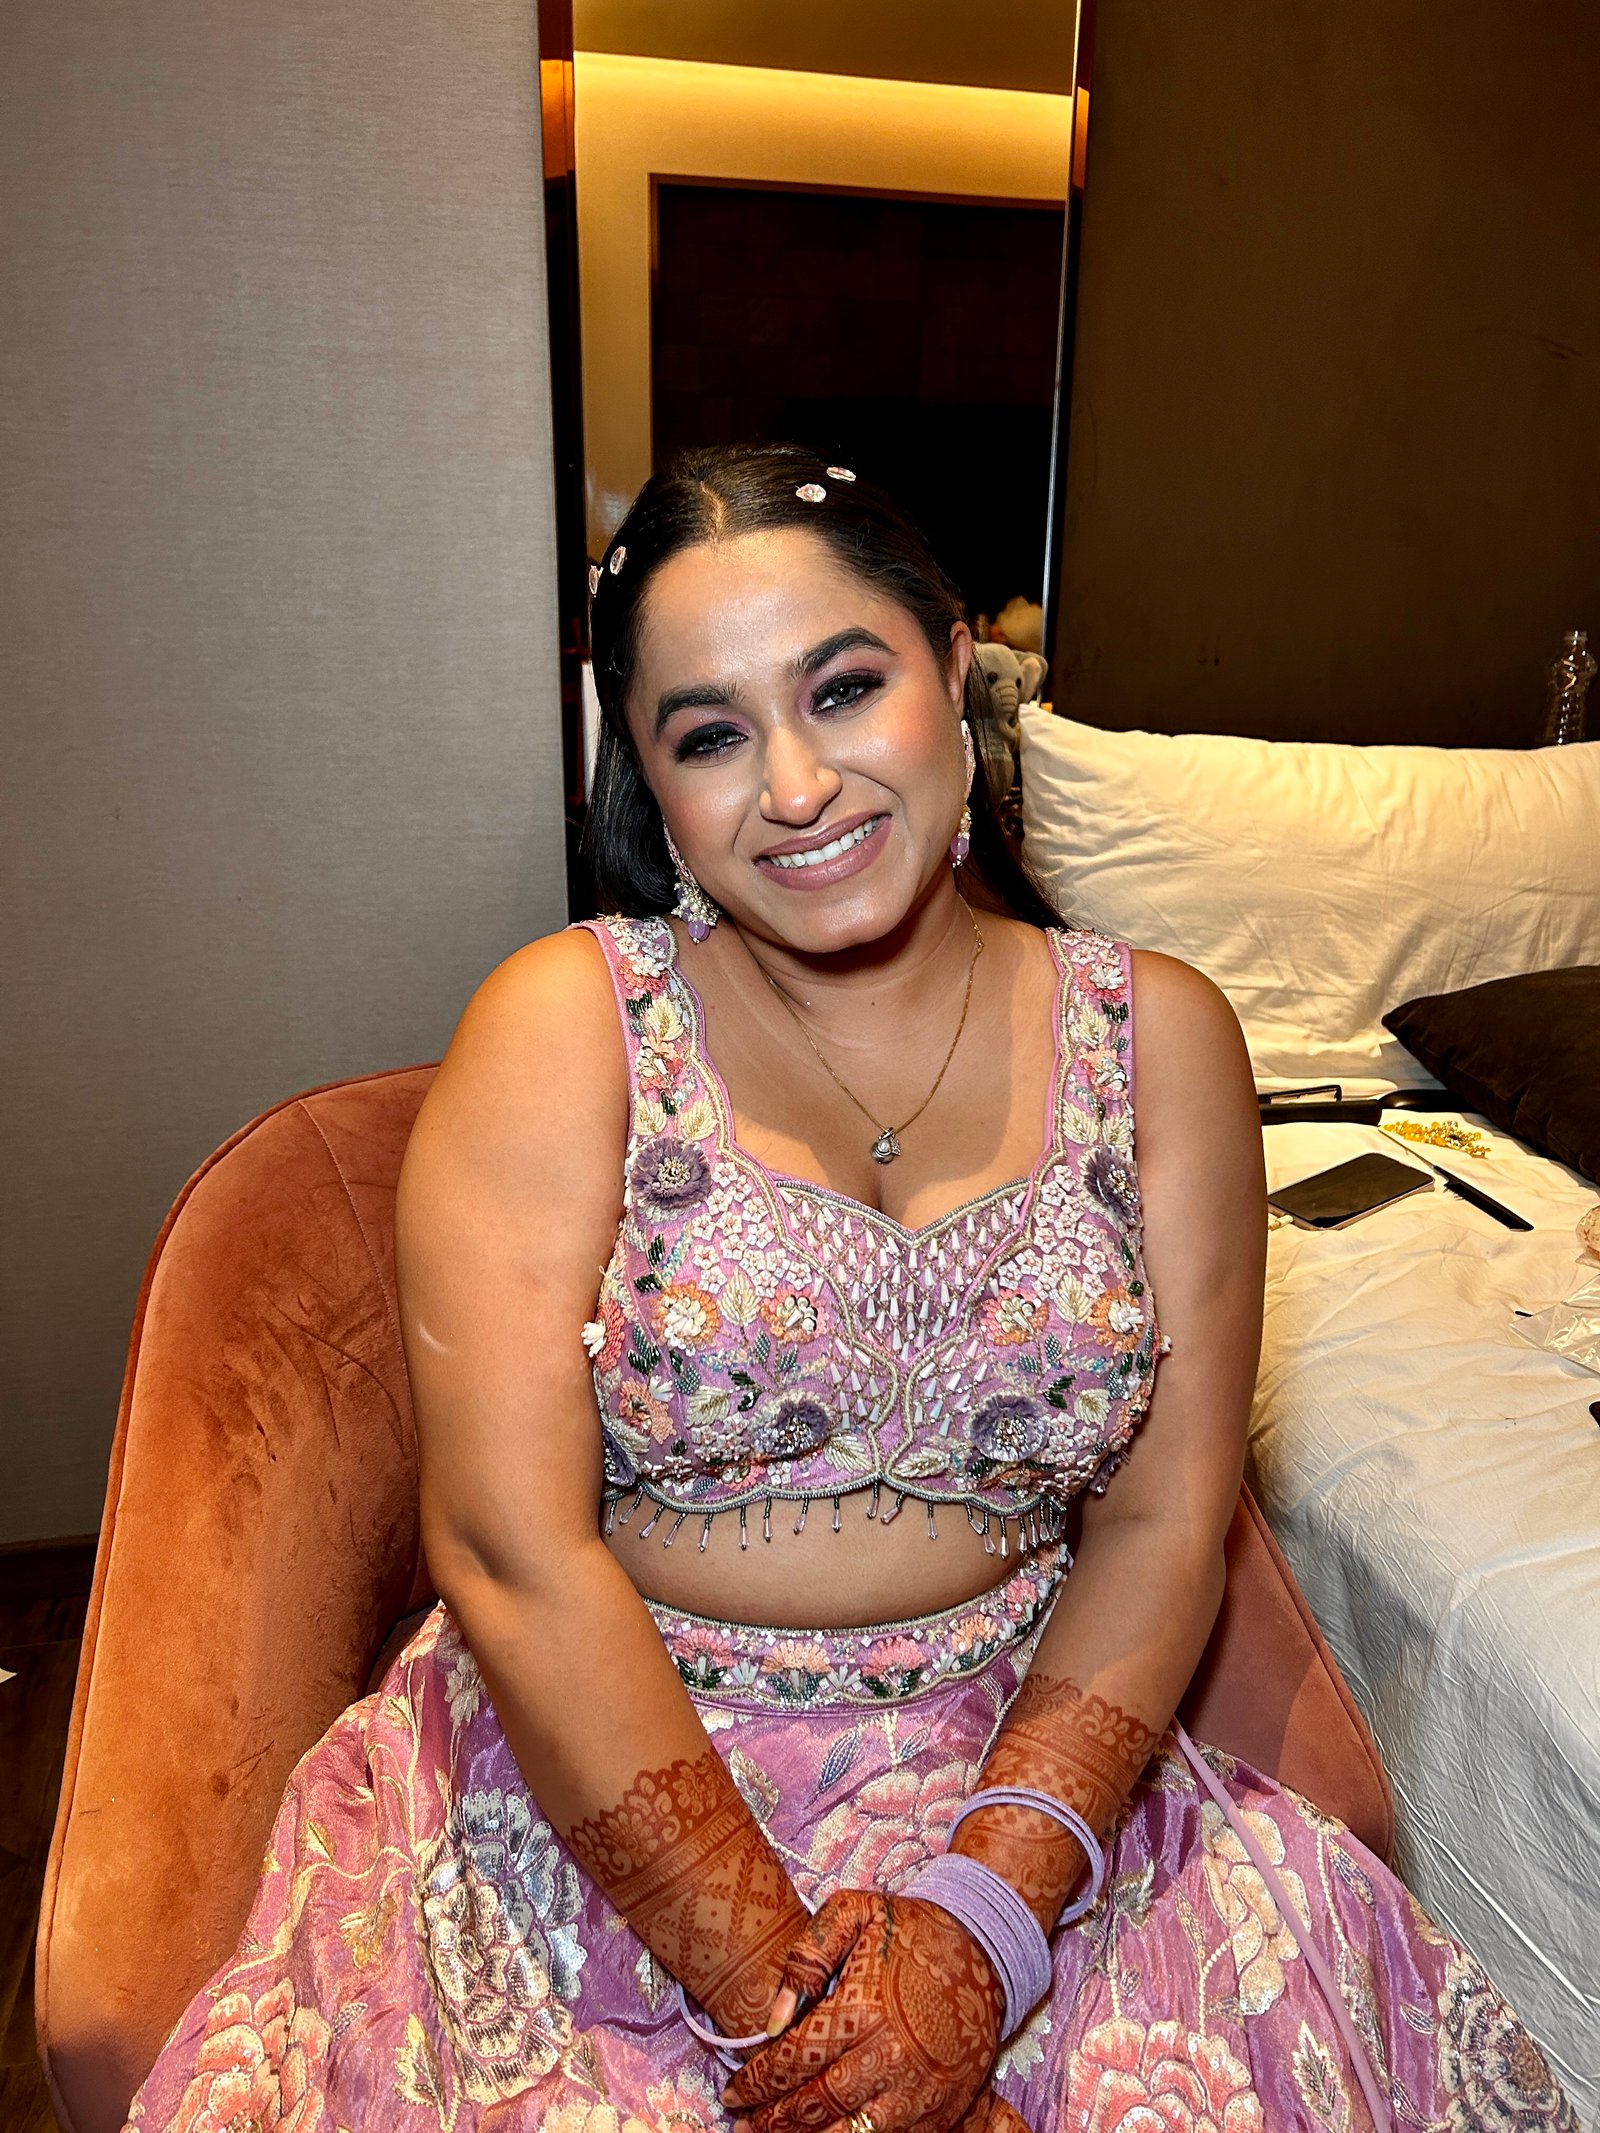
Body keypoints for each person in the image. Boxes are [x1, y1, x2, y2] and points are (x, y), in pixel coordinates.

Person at [123, 445, 1573, 2133]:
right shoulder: (567, 1029)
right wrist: (798, 2012)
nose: (797, 785)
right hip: (613, 1765)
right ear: (649, 782)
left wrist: (979, 1930)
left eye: (843, 688)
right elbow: (514, 1552)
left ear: (954, 670)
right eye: (711, 734)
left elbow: (1165, 1517)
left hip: (1031, 1772)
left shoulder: (1161, 1039)